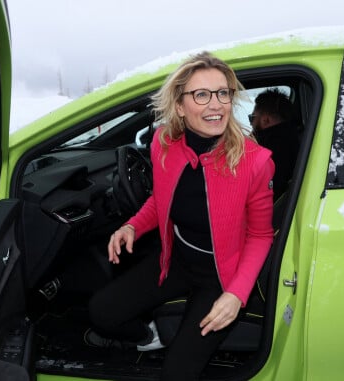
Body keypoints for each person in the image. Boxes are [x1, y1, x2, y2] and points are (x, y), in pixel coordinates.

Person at [87, 51, 275, 380]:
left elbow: (260, 236)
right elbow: (162, 202)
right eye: (201, 95)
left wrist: (236, 294)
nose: (215, 105)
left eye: (223, 93)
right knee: (100, 312)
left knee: (177, 373)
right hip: (176, 259)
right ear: (179, 105)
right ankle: (151, 337)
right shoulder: (162, 143)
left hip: (222, 275)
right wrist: (133, 225)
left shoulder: (255, 162)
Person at [250, 89, 300, 200]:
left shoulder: (269, 148)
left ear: (266, 120)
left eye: (252, 118)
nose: (251, 125)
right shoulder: (293, 139)